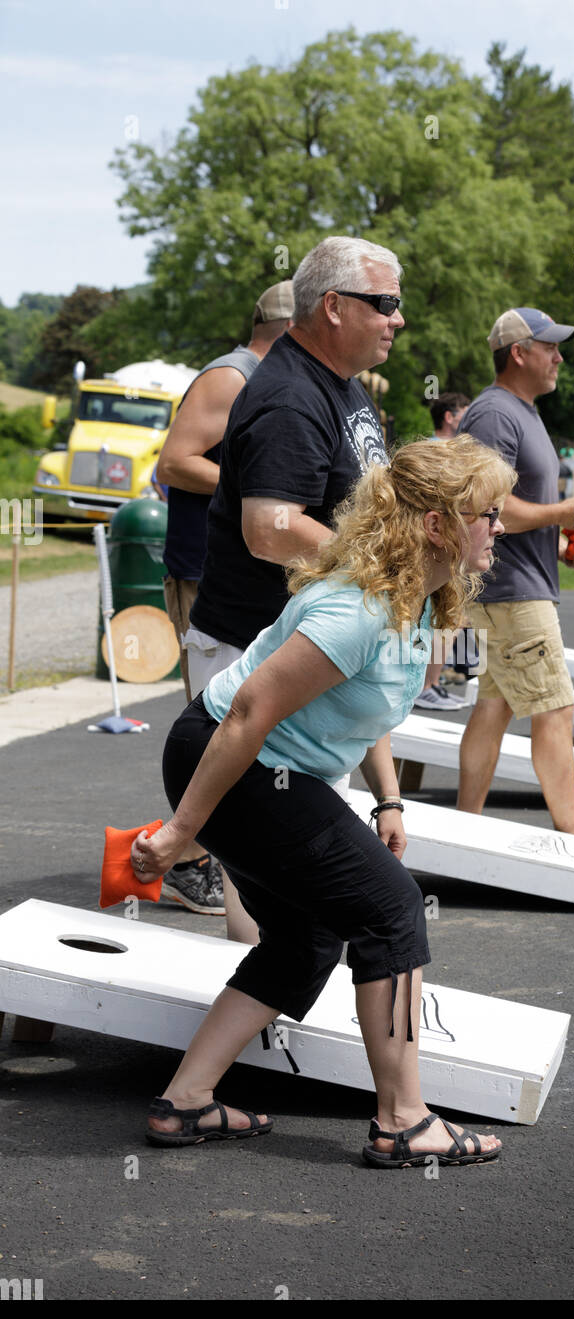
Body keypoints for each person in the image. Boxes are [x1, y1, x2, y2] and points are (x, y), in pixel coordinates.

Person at [131, 436, 513, 1167]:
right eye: (485, 513)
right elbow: (248, 713)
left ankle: (184, 1103)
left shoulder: (420, 602)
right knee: (392, 909)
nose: (499, 525)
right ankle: (404, 1120)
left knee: (306, 940)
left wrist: (390, 801)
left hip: (266, 767)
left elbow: (355, 709)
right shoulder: (358, 610)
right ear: (436, 525)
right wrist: (184, 832)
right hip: (231, 757)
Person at [180, 236, 403, 941]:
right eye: (386, 304)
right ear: (333, 308)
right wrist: (383, 562)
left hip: (303, 657)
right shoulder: (288, 398)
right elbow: (268, 529)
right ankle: (263, 1038)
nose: (398, 319)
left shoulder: (344, 390)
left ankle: (271, 1024)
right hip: (256, 657)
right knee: (276, 892)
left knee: (298, 889)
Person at [154, 280, 293, 921]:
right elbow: (174, 462)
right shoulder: (233, 377)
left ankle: (199, 855)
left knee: (235, 736)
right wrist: (260, 483)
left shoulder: (268, 382)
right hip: (200, 573)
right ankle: (184, 862)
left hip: (228, 573)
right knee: (211, 730)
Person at [456, 307, 574, 837]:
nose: (559, 357)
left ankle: (465, 827)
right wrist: (564, 513)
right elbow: (486, 506)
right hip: (511, 590)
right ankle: (572, 834)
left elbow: (519, 511)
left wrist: (563, 545)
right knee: (555, 708)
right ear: (518, 353)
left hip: (518, 584)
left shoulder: (521, 410)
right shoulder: (494, 414)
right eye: (550, 347)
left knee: (494, 706)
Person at [415, 391, 474, 708]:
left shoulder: (454, 451)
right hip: (443, 546)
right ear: (449, 417)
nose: (471, 417)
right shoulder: (439, 453)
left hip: (454, 544)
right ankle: (427, 684)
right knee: (445, 616)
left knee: (453, 617)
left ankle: (436, 681)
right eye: (465, 411)